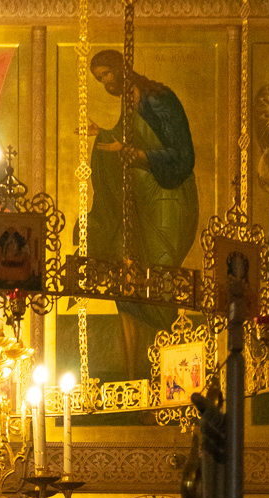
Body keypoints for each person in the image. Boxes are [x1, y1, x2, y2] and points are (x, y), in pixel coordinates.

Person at [83, 49, 199, 380]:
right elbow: (121, 146)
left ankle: (172, 379)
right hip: (136, 204)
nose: (105, 82)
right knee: (125, 278)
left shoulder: (159, 99)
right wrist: (101, 134)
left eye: (107, 74)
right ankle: (134, 376)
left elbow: (182, 155)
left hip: (167, 200)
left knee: (161, 282)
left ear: (121, 68)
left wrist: (134, 153)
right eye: (100, 79)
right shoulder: (128, 105)